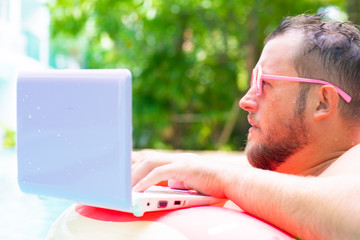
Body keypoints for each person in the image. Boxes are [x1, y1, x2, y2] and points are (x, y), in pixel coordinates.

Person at [131, 13, 360, 240]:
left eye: (264, 83)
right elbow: (226, 165)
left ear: (322, 102)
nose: (245, 101)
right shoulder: (292, 173)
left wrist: (221, 178)